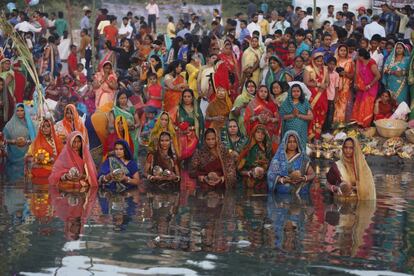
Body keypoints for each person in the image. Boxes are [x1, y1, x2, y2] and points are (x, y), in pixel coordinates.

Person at [267, 131, 315, 195]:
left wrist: (303, 179)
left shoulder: (303, 158)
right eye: (289, 142)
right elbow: (270, 175)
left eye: (294, 141)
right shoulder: (279, 158)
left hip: (299, 194)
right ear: (285, 143)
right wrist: (284, 180)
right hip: (281, 195)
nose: (292, 144)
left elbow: (312, 174)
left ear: (298, 142)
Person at [238, 124, 274, 189]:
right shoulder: (247, 148)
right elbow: (239, 168)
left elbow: (273, 165)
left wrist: (264, 171)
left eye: (263, 133)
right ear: (254, 133)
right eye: (258, 132)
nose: (260, 135)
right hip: (250, 177)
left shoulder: (268, 148)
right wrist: (250, 172)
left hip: (265, 177)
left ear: (265, 135)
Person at [4, 104, 36, 175]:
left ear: (25, 112)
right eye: (17, 111)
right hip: (12, 157)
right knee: (12, 180)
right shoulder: (9, 125)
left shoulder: (30, 124)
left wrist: (27, 142)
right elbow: (3, 140)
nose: (20, 112)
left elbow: (35, 139)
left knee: (26, 179)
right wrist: (14, 141)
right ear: (15, 112)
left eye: (22, 110)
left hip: (26, 155)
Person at [351, 48, 381, 128]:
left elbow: (378, 76)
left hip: (371, 87)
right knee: (359, 103)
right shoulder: (359, 61)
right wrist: (355, 83)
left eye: (357, 55)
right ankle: (358, 122)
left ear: (362, 56)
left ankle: (365, 124)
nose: (356, 56)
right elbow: (356, 73)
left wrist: (370, 85)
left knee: (367, 105)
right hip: (361, 87)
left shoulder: (371, 63)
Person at [244, 85, 279, 151]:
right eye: (261, 91)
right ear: (258, 92)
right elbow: (247, 119)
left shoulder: (272, 105)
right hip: (255, 132)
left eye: (265, 92)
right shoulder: (252, 104)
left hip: (269, 132)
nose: (263, 93)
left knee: (267, 151)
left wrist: (270, 119)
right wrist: (257, 117)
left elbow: (277, 119)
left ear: (268, 93)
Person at [304, 52, 329, 141]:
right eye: (317, 61)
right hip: (312, 96)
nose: (319, 63)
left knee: (321, 114)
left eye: (321, 61)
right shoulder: (308, 69)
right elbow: (306, 82)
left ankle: (317, 136)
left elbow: (327, 82)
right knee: (311, 114)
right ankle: (309, 136)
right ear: (313, 61)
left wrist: (325, 85)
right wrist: (318, 84)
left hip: (322, 95)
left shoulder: (325, 69)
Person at [174, 89, 204, 160]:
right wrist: (179, 128)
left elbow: (201, 124)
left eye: (189, 96)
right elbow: (172, 123)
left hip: (194, 137)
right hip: (180, 137)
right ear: (182, 98)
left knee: (193, 158)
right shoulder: (178, 109)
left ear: (192, 97)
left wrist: (191, 128)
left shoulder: (196, 110)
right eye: (185, 96)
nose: (186, 98)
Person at [110, 91, 140, 159]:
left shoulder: (132, 109)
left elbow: (138, 123)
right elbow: (111, 125)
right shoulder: (114, 110)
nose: (124, 100)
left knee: (133, 153)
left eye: (125, 98)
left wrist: (133, 127)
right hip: (120, 135)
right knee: (123, 154)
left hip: (132, 134)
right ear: (118, 99)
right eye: (121, 98)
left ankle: (133, 168)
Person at [333, 44, 354, 125]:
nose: (343, 52)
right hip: (335, 84)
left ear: (347, 52)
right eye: (341, 50)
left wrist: (345, 74)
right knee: (335, 102)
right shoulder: (335, 60)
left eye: (344, 50)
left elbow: (352, 75)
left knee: (344, 103)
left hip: (346, 85)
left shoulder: (350, 61)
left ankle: (342, 123)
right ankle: (335, 123)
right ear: (338, 51)